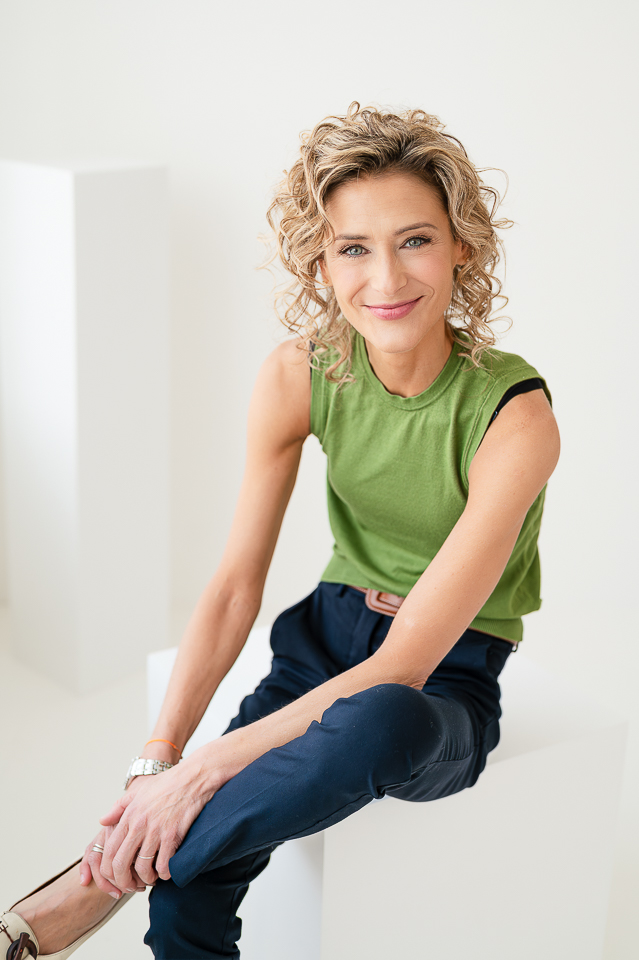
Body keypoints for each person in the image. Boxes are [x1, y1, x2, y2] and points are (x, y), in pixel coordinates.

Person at [1, 103, 560, 960]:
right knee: (185, 893)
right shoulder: (300, 374)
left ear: (461, 246)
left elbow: (402, 668)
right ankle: (140, 863)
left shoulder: (514, 416)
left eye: (414, 240)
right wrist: (159, 762)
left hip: (442, 676)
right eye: (352, 248)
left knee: (382, 721)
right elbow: (234, 588)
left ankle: (97, 879)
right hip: (320, 643)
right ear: (319, 263)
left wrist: (203, 771)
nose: (385, 278)